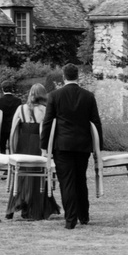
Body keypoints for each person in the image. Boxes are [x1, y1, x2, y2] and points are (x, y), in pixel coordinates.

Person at [39, 63, 103, 231]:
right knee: (80, 179)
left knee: (66, 182)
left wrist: (44, 146)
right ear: (78, 76)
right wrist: (98, 148)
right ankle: (84, 216)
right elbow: (96, 122)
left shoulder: (54, 96)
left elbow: (47, 122)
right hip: (83, 145)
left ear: (63, 77)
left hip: (63, 145)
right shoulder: (88, 96)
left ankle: (70, 219)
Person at [2, 82, 57, 221]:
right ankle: (35, 209)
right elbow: (49, 131)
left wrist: (13, 149)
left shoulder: (20, 109)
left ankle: (13, 207)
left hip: (22, 145)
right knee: (37, 175)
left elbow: (13, 130)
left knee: (20, 175)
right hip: (38, 144)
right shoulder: (45, 110)